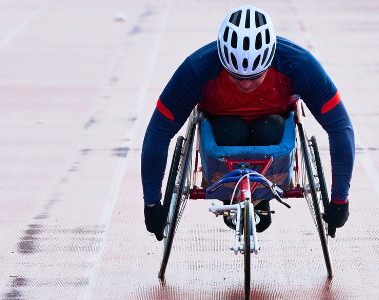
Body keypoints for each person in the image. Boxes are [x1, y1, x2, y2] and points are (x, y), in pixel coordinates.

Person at [141, 5, 354, 240]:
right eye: (236, 77)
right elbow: (158, 133)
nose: (245, 85)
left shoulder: (299, 65)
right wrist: (151, 203)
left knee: (270, 128)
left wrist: (339, 199)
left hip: (272, 129)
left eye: (254, 77)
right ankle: (229, 191)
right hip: (223, 131)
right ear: (222, 61)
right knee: (230, 130)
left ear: (270, 60)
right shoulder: (196, 70)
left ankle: (261, 195)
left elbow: (340, 127)